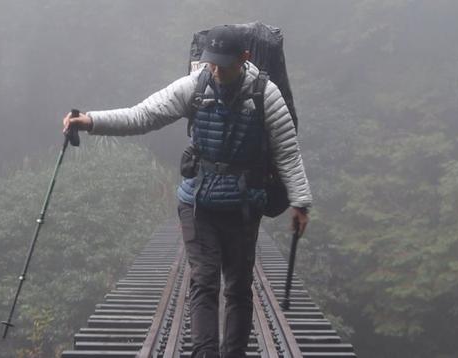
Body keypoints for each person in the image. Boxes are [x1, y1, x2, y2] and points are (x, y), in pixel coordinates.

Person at [62, 25, 312, 358]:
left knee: (238, 288)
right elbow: (143, 115)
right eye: (212, 62)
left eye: (224, 63)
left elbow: (287, 151)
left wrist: (301, 203)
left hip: (243, 206)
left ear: (245, 58)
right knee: (204, 282)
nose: (216, 70)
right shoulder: (195, 87)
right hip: (198, 203)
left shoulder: (265, 95)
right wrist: (90, 121)